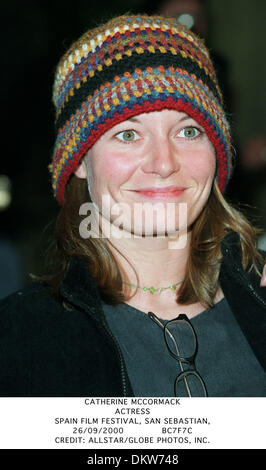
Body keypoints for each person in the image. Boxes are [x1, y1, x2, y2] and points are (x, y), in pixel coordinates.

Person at [0, 14, 265, 397]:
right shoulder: (21, 338)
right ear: (77, 163)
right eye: (128, 134)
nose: (164, 162)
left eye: (188, 130)